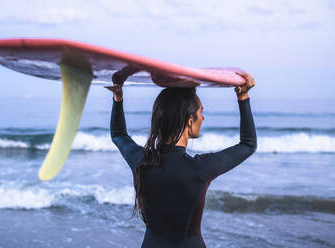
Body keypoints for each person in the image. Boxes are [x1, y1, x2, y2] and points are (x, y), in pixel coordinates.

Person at [105, 69, 257, 248]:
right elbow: (248, 144)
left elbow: (118, 135)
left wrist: (118, 97)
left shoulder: (141, 161)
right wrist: (243, 97)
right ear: (190, 121)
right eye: (201, 112)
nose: (203, 117)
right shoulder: (199, 169)